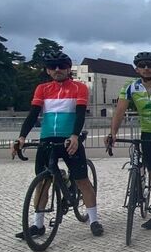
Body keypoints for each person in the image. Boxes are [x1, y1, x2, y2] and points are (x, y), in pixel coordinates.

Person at [13, 51, 103, 238]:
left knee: (82, 181)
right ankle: (38, 225)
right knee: (42, 183)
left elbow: (80, 114)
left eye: (61, 66)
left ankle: (94, 220)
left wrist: (75, 135)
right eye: (52, 67)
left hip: (69, 138)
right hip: (47, 138)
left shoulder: (79, 87)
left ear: (69, 69)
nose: (57, 70)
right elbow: (33, 114)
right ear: (47, 70)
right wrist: (21, 137)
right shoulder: (42, 88)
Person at [106, 52, 151, 233]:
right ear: (136, 69)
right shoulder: (130, 86)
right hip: (147, 135)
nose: (146, 68)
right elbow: (119, 112)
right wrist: (113, 133)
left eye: (150, 65)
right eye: (142, 65)